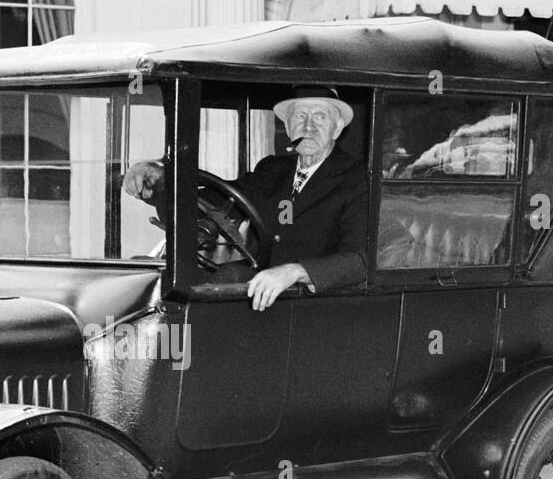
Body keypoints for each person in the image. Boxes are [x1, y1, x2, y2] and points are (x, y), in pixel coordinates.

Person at [122, 86, 370, 311]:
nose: (308, 126)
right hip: (260, 292)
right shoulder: (273, 169)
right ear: (288, 126)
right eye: (300, 116)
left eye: (320, 117)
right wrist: (160, 181)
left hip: (317, 304)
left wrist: (295, 271)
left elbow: (358, 259)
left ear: (337, 128)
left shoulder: (357, 179)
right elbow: (220, 200)